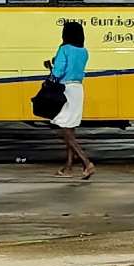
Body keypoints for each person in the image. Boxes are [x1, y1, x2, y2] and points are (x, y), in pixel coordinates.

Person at [47, 21, 94, 179]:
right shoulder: (84, 51)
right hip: (78, 89)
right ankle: (68, 167)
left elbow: (59, 71)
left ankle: (86, 163)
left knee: (63, 129)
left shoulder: (64, 49)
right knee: (70, 128)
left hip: (65, 89)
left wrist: (51, 70)